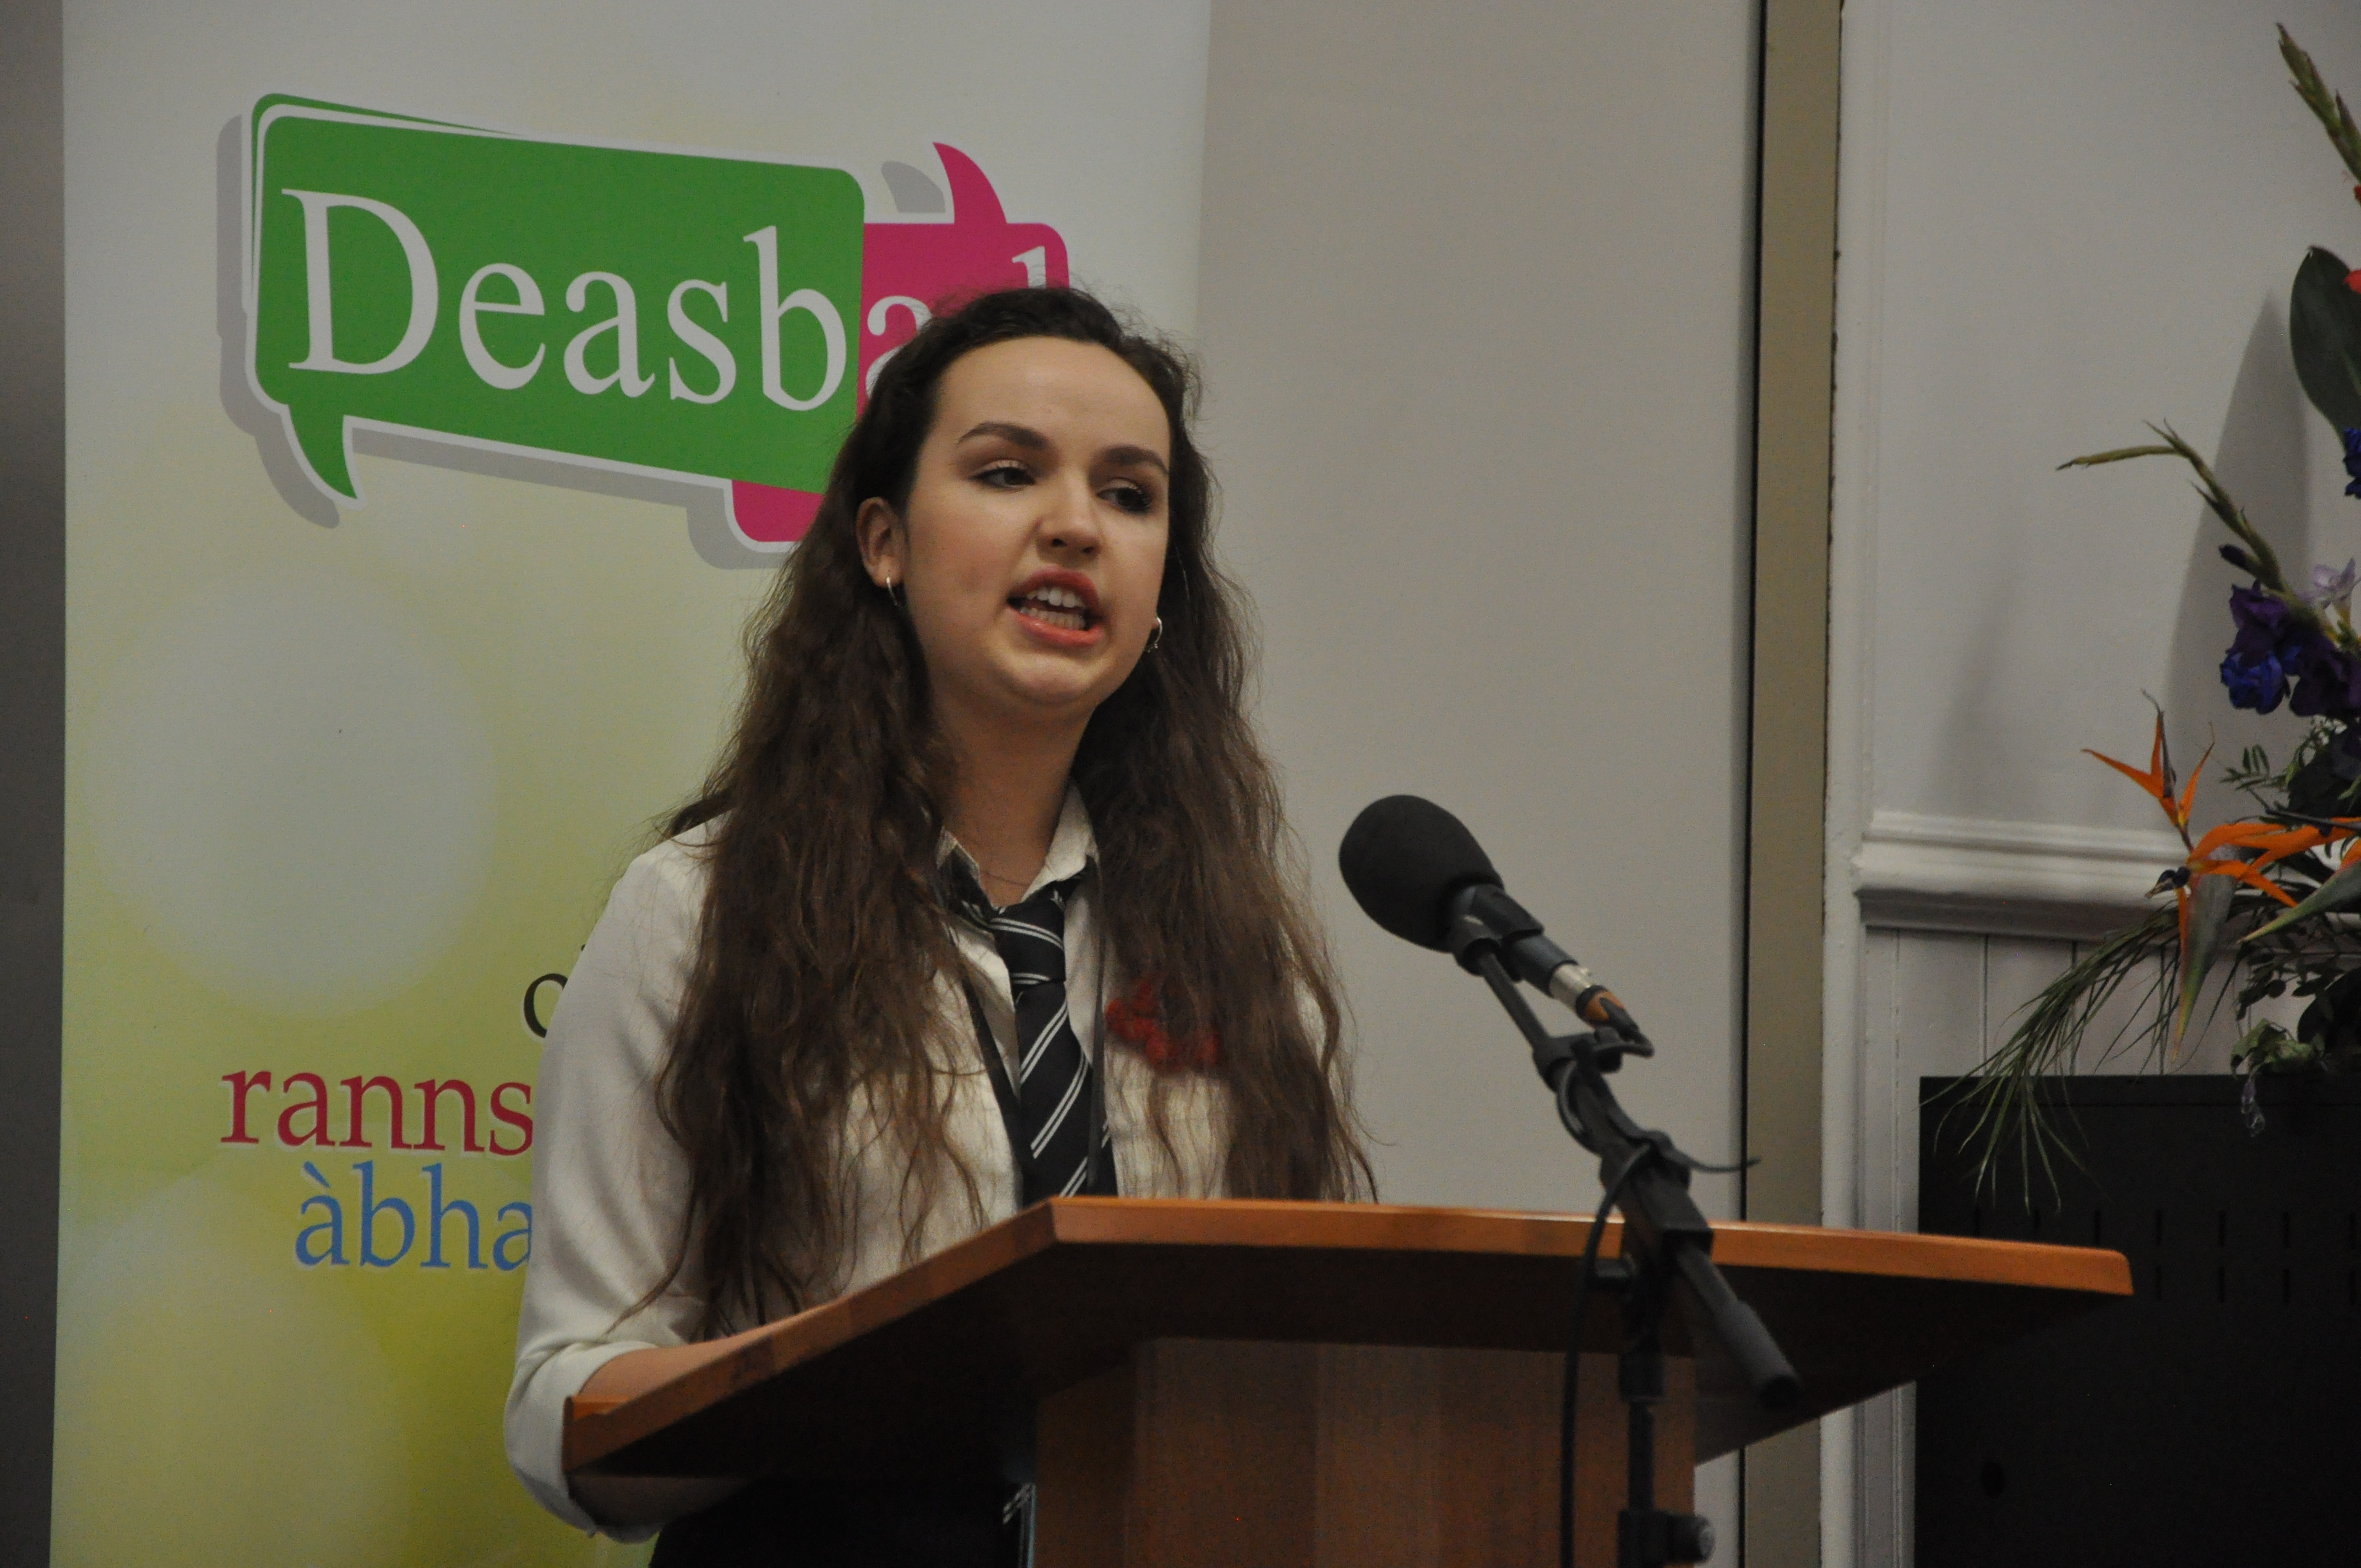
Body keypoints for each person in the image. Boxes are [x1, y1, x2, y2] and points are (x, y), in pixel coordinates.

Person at [504, 286, 1371, 1565]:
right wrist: (876, 1366)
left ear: (1160, 592)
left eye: (1129, 497)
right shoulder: (703, 911)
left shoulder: (1236, 954)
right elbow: (568, 1406)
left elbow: (1297, 1369)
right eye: (1009, 472)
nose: (1075, 526)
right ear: (882, 541)